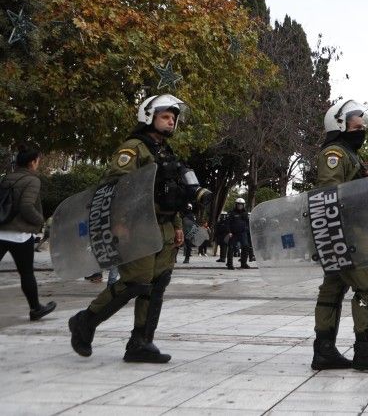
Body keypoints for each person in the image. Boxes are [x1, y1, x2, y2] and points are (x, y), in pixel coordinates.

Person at [69, 94, 212, 363]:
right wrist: (120, 223)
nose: (171, 122)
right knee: (136, 282)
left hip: (165, 227)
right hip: (137, 226)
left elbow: (173, 193)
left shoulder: (166, 152)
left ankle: (141, 342)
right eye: (165, 117)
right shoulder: (133, 149)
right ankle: (85, 321)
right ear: (149, 117)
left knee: (157, 284)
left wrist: (178, 224)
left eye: (173, 118)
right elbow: (116, 187)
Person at [310, 99, 368, 373]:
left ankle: (324, 351)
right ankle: (365, 350)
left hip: (338, 232)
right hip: (344, 232)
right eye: (356, 124)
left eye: (362, 124)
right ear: (339, 124)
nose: (361, 128)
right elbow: (329, 193)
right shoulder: (334, 153)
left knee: (334, 288)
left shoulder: (349, 154)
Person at [0, 144, 56, 321]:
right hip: (19, 235)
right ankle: (35, 308)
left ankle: (36, 308)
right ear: (32, 162)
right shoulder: (32, 180)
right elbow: (26, 206)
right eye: (38, 160)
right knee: (26, 273)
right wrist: (40, 221)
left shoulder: (7, 177)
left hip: (1, 230)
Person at [226, 199, 250, 270]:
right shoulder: (232, 213)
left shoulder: (245, 213)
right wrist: (229, 232)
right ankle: (230, 264)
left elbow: (248, 223)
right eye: (238, 204)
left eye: (241, 204)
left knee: (246, 247)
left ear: (243, 205)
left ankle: (243, 263)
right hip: (233, 233)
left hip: (243, 233)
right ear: (236, 205)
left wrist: (247, 230)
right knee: (231, 248)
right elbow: (228, 223)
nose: (240, 206)